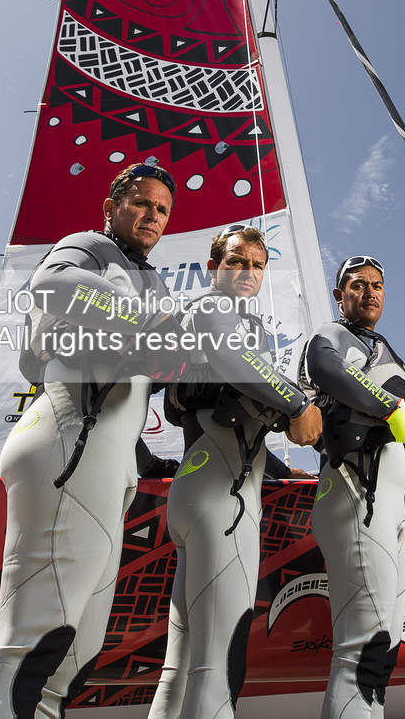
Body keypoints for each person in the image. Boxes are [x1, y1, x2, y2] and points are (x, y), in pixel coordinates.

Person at [0, 162, 184, 719]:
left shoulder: (151, 279)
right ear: (111, 208)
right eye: (141, 202)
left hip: (106, 461)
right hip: (67, 441)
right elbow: (52, 285)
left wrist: (147, 462)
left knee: (73, 656)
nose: (152, 215)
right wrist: (149, 324)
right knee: (30, 647)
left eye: (162, 209)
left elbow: (132, 388)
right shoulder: (87, 246)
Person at [148, 227, 323, 719]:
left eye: (258, 264)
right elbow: (234, 361)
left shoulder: (234, 324)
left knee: (181, 668)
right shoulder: (213, 311)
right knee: (220, 661)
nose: (248, 272)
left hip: (202, 490)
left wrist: (286, 472)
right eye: (236, 262)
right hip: (221, 500)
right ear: (213, 267)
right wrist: (297, 404)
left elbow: (240, 418)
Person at [303, 256, 405, 719]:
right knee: (364, 649)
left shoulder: (387, 350)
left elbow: (397, 456)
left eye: (377, 285)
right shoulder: (332, 336)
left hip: (385, 499)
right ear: (339, 293)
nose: (369, 292)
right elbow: (325, 369)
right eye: (357, 284)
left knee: (383, 653)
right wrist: (390, 409)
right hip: (351, 489)